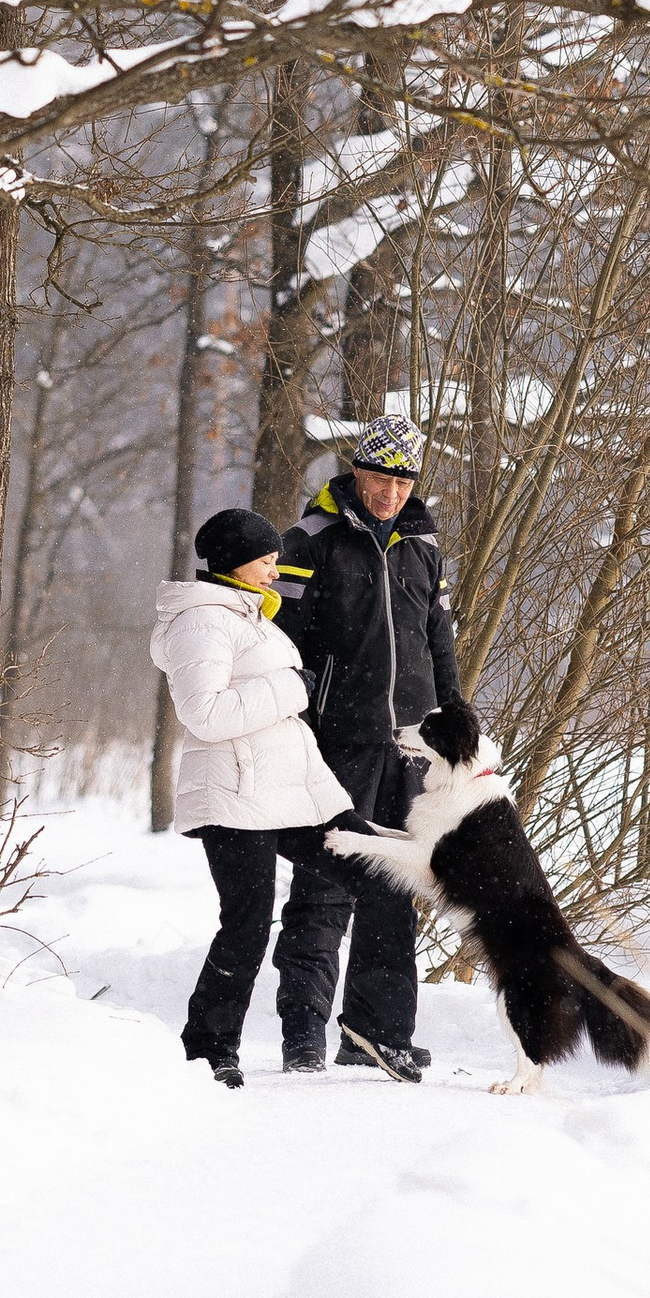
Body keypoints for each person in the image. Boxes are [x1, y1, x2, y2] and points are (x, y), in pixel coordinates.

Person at [272, 414, 464, 1082]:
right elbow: (284, 648)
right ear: (357, 470)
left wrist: (452, 724)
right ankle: (303, 1030)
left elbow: (439, 641)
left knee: (394, 883)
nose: (391, 492)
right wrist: (294, 732)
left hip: (409, 747)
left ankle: (376, 1034)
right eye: (381, 476)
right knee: (325, 882)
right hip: (336, 744)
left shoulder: (423, 546)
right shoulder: (312, 540)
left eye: (404, 480)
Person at [152, 504, 351, 1085]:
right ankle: (210, 1048)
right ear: (236, 564)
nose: (275, 569)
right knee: (246, 921)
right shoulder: (203, 623)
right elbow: (204, 714)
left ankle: (373, 1025)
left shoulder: (247, 617)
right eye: (266, 560)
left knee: (364, 867)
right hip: (233, 792)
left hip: (282, 791)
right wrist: (289, 689)